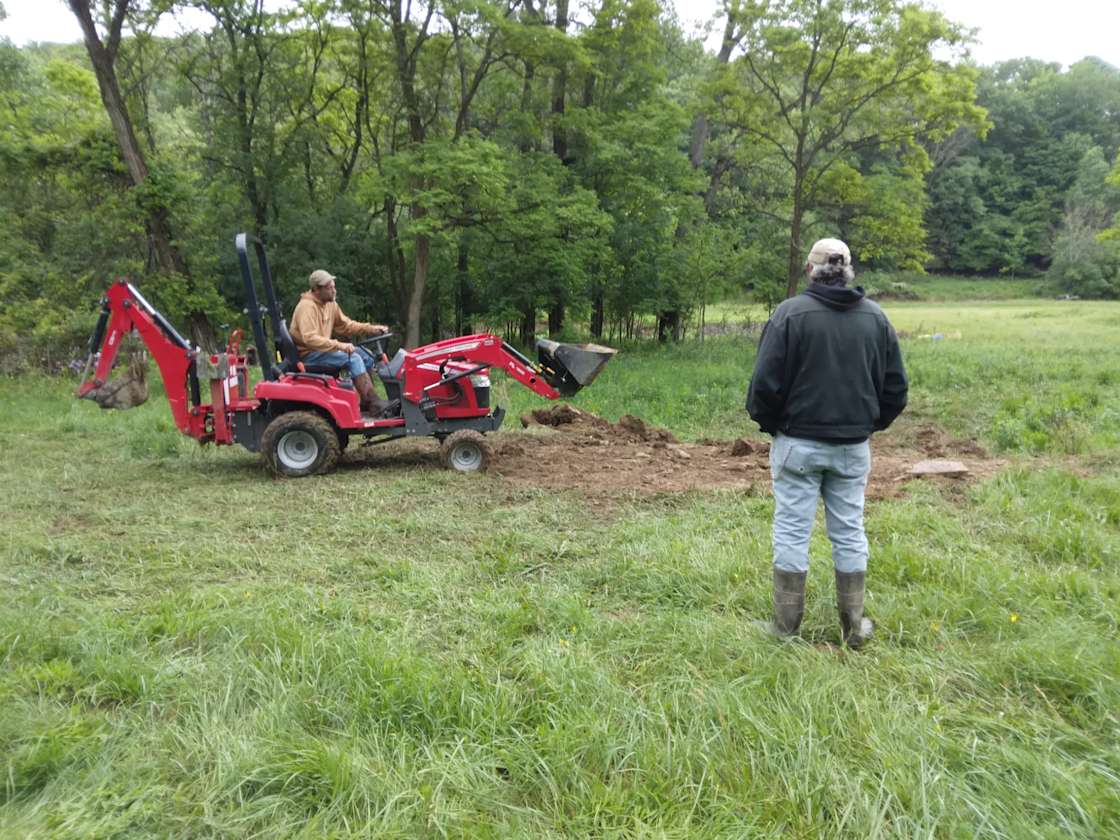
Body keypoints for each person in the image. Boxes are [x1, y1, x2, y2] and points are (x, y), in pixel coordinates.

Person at [746, 238, 908, 648]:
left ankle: (785, 630)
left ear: (810, 270)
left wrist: (776, 427)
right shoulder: (876, 318)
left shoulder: (789, 314)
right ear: (849, 271)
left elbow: (762, 386)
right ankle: (853, 627)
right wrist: (866, 426)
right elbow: (896, 390)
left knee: (791, 531)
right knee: (850, 531)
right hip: (852, 447)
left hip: (797, 444)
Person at [291, 269, 390, 417]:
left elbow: (346, 325)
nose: (334, 291)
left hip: (323, 351)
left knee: (366, 356)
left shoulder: (330, 305)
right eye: (329, 288)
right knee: (354, 358)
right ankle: (374, 404)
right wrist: (339, 345)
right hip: (310, 354)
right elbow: (309, 339)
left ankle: (365, 402)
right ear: (316, 289)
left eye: (334, 286)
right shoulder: (306, 307)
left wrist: (371, 329)